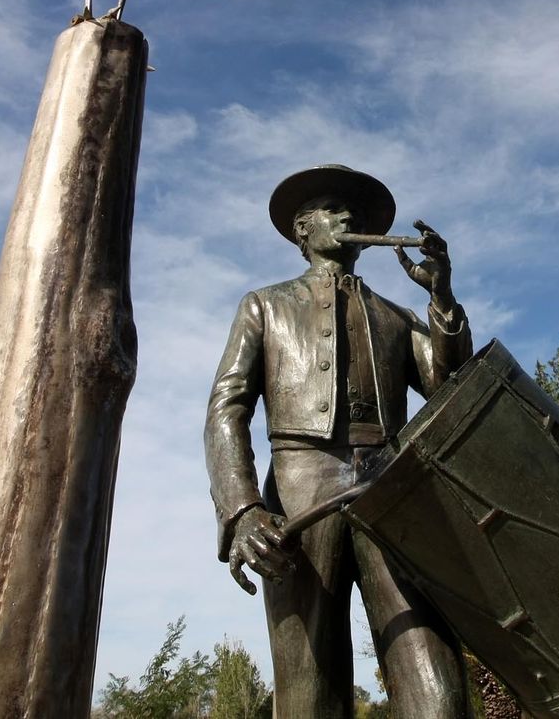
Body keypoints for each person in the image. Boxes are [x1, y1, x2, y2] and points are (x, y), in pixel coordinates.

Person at [204, 165, 473, 718]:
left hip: (393, 494)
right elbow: (226, 410)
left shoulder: (396, 317)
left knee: (439, 693)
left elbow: (451, 387)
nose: (348, 216)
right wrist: (243, 509)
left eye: (354, 211)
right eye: (332, 207)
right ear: (303, 230)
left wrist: (442, 298)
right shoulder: (265, 305)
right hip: (299, 498)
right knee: (310, 695)